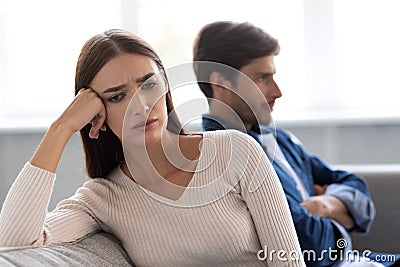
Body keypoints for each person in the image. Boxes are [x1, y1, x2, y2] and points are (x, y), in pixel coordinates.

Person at [0, 29, 305, 266]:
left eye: (148, 84)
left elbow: (289, 261)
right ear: (97, 115)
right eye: (117, 97)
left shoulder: (236, 150)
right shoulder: (103, 199)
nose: (142, 106)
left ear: (166, 84)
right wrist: (61, 128)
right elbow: (13, 242)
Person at [193, 21, 399, 267]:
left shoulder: (279, 139)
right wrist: (340, 217)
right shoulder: (220, 157)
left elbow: (355, 186)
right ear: (220, 82)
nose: (277, 91)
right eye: (262, 78)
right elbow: (309, 245)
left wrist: (322, 206)